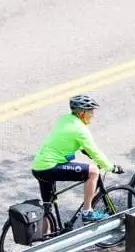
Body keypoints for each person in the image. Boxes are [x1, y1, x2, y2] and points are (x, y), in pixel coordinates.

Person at [32, 94, 121, 222]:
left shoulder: (64, 119)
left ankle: (47, 238)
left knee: (48, 209)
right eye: (91, 111)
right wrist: (111, 167)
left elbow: (65, 139)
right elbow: (95, 152)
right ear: (82, 113)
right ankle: (87, 212)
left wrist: (83, 150)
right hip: (50, 166)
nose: (93, 115)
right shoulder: (80, 130)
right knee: (93, 171)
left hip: (38, 167)